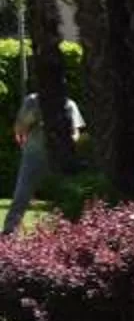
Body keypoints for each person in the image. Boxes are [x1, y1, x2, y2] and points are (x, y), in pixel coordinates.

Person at [5, 90, 82, 237]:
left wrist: (68, 140)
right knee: (21, 195)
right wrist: (32, 119)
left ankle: (70, 234)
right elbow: (19, 129)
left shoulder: (69, 104)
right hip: (33, 156)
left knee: (68, 194)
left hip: (60, 157)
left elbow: (76, 133)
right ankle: (9, 232)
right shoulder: (32, 101)